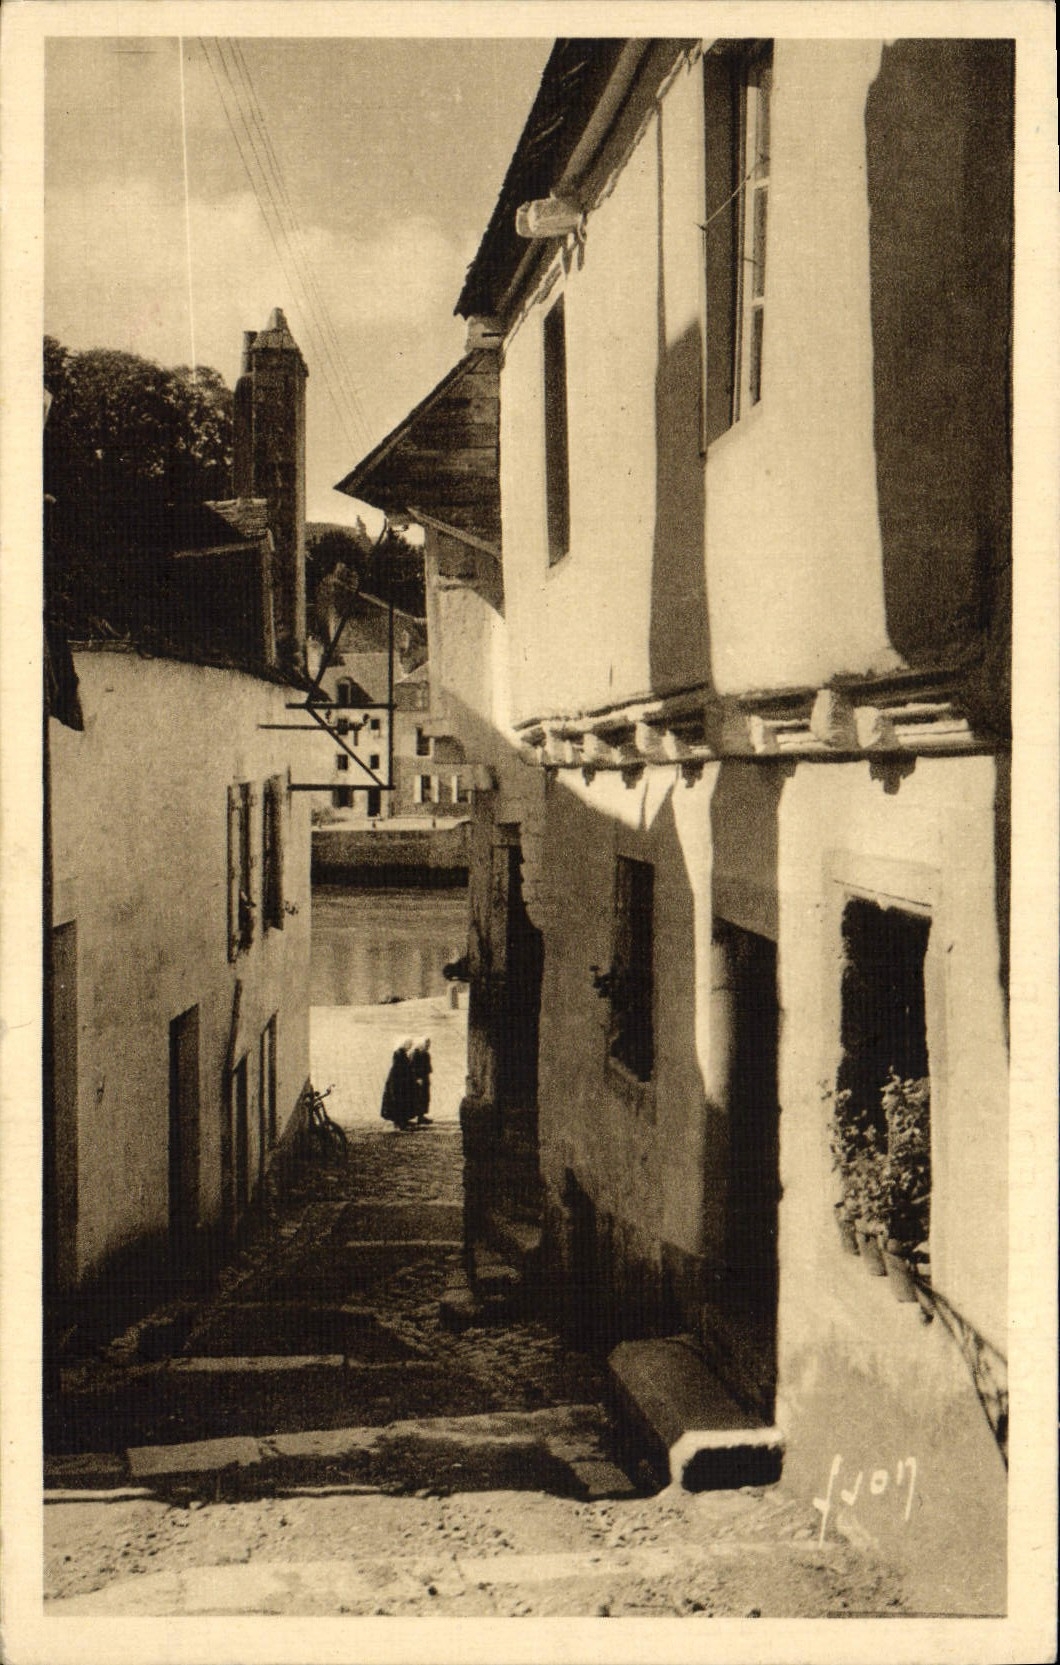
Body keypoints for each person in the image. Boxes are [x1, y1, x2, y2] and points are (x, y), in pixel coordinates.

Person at [380, 1037, 415, 1130]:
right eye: (409, 1044)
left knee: (403, 1101)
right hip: (398, 1081)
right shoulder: (399, 1054)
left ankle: (403, 1120)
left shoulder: (402, 1053)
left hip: (401, 1080)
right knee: (398, 1101)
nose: (410, 1046)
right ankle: (399, 1122)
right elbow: (401, 1068)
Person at [409, 1036, 432, 1125]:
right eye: (426, 1044)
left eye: (429, 1044)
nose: (428, 1046)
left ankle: (421, 1116)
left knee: (425, 1098)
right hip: (418, 1079)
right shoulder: (415, 1053)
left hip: (425, 1078)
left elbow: (428, 1068)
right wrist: (417, 1078)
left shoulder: (426, 1054)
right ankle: (418, 1116)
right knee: (418, 1097)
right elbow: (412, 1067)